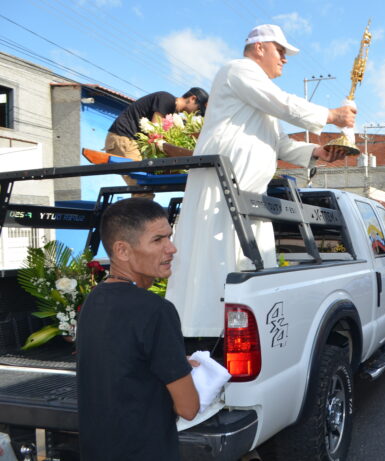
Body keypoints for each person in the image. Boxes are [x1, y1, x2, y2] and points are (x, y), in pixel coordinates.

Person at [166, 24, 356, 336]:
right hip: (220, 191)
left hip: (251, 200)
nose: (285, 59)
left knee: (251, 272)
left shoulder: (257, 97)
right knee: (213, 268)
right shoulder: (238, 70)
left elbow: (280, 144)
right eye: (280, 51)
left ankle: (242, 334)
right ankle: (205, 336)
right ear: (259, 48)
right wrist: (332, 115)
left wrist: (318, 152)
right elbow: (282, 103)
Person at [77, 198, 199, 461]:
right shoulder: (156, 310)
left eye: (170, 237)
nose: (172, 248)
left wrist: (173, 362)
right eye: (158, 240)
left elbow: (121, 364)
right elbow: (188, 408)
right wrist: (187, 373)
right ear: (122, 250)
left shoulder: (93, 300)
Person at [105, 87, 209, 162]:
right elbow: (155, 132)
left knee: (146, 184)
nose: (196, 113)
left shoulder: (174, 113)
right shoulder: (167, 99)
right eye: (198, 109)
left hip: (129, 141)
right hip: (124, 139)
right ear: (192, 98)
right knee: (142, 187)